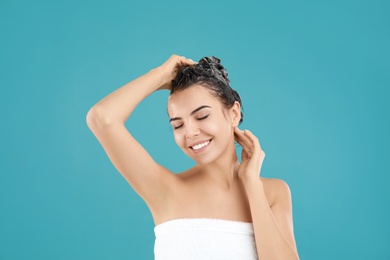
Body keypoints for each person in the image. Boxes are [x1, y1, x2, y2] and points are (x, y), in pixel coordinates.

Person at [86, 55, 299, 259]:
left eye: (202, 116)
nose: (189, 132)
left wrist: (252, 184)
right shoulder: (165, 190)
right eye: (177, 125)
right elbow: (102, 118)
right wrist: (159, 75)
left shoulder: (273, 193)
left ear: (233, 114)